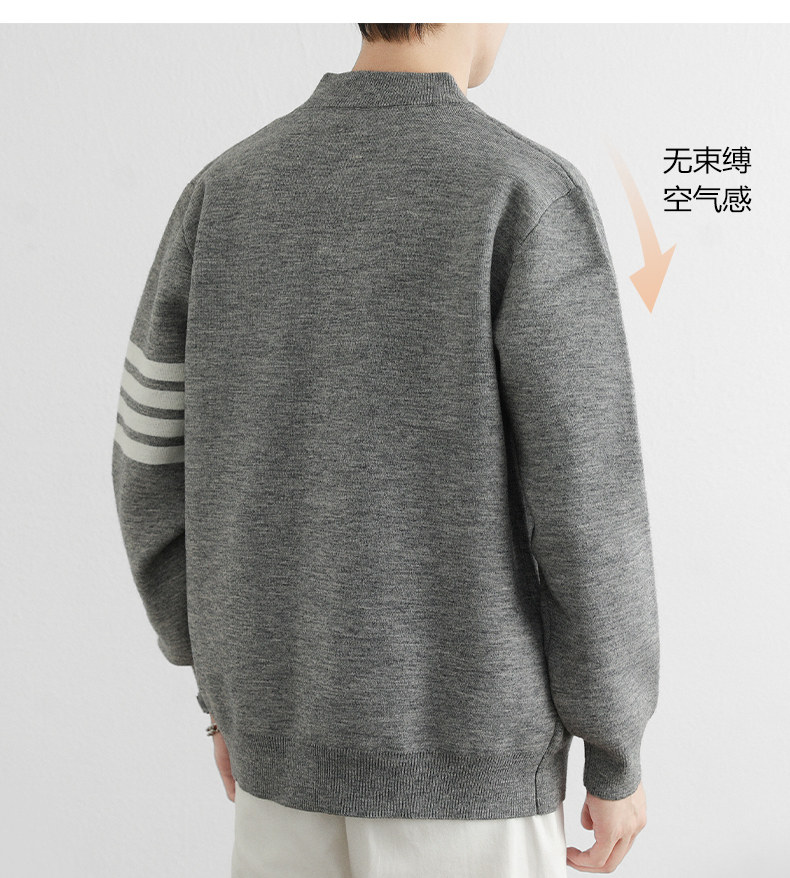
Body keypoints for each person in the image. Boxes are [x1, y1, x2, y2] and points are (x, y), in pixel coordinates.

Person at [111, 22, 660, 877]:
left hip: (277, 753)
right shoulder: (522, 191)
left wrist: (223, 697)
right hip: (470, 776)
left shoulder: (224, 192)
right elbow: (587, 504)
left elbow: (146, 462)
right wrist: (614, 746)